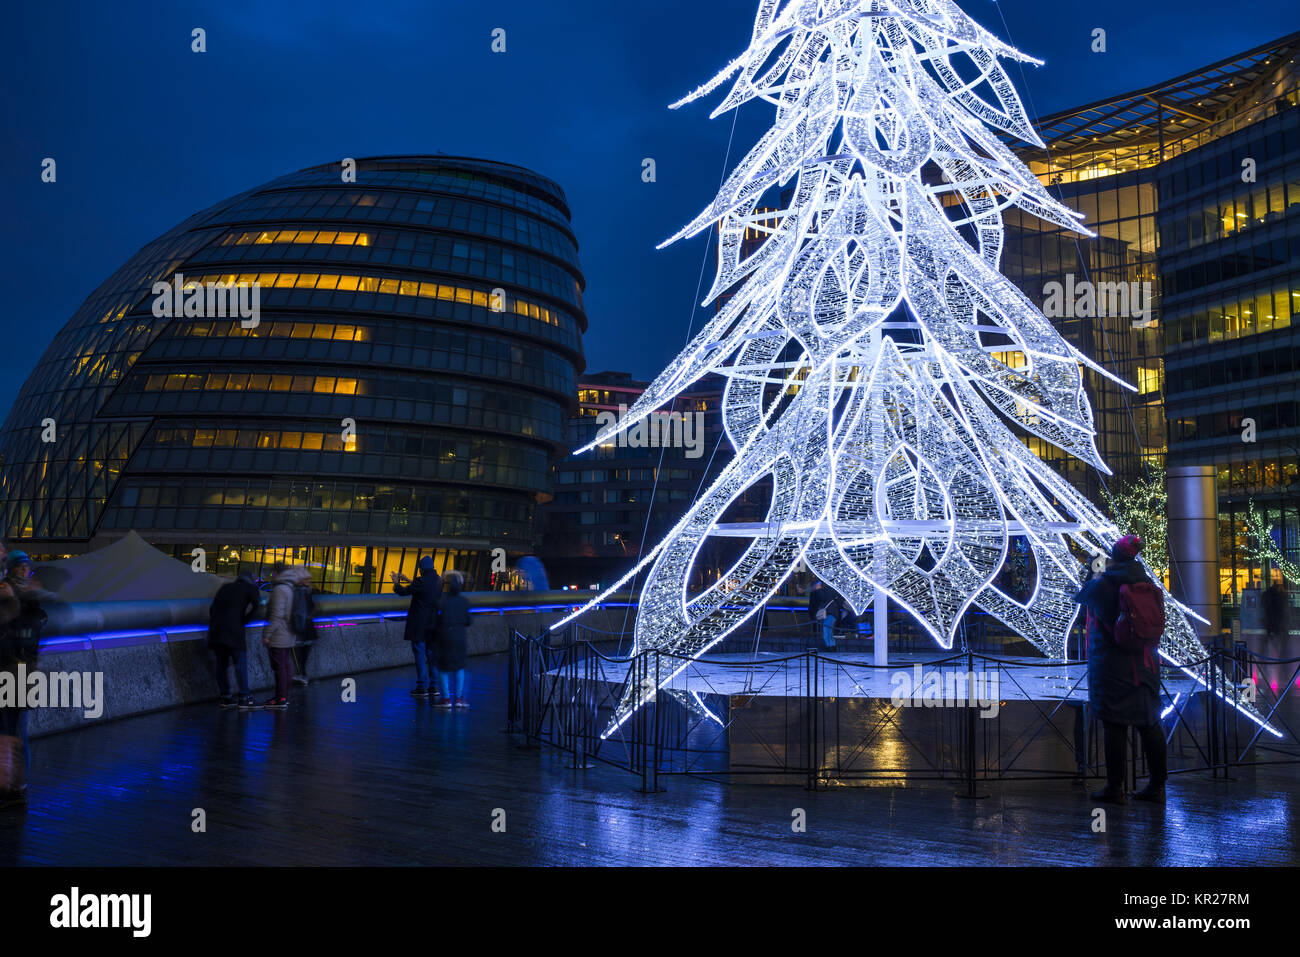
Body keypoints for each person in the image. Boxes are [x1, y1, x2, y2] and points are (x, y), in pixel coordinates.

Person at [1073, 534, 1166, 803]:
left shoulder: (1105, 584)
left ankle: (1115, 786)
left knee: (1114, 725)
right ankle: (1157, 785)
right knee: (1149, 723)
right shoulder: (1145, 581)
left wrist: (1093, 572)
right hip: (1145, 664)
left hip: (1113, 665)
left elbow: (1081, 602)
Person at [0, 551, 57, 809]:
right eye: (20, 567)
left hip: (16, 672)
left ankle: (15, 785)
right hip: (19, 672)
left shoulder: (17, 596)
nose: (24, 570)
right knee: (14, 730)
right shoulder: (21, 596)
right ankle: (15, 784)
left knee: (13, 730)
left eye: (26, 567)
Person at [259, 565, 312, 710]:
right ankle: (283, 697)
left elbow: (276, 615)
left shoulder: (279, 590)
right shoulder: (291, 587)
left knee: (279, 667)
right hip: (290, 633)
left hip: (279, 634)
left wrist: (266, 634)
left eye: (272, 573)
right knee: (286, 666)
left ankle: (280, 698)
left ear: (276, 573)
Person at [207, 569, 260, 708]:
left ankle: (225, 697)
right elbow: (257, 605)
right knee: (240, 663)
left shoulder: (226, 587)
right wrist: (244, 620)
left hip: (216, 631)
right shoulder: (249, 588)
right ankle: (244, 697)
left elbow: (212, 609)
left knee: (221, 664)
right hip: (234, 632)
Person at [393, 556, 442, 698]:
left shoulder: (421, 581)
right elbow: (420, 587)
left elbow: (403, 592)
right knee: (432, 655)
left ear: (421, 569)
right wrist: (407, 579)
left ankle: (421, 687)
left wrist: (396, 582)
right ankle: (434, 687)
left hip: (420, 625)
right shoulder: (438, 581)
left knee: (420, 655)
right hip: (433, 625)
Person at [436, 571, 472, 710]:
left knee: (443, 667)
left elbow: (437, 619)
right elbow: (469, 620)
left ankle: (445, 699)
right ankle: (459, 698)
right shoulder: (465, 602)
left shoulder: (443, 601)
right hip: (460, 637)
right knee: (460, 666)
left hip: (445, 636)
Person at [807, 581, 838, 650]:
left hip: (831, 612)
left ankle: (830, 646)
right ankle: (831, 646)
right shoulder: (830, 588)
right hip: (831, 612)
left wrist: (819, 589)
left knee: (826, 630)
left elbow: (824, 597)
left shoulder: (829, 589)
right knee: (828, 630)